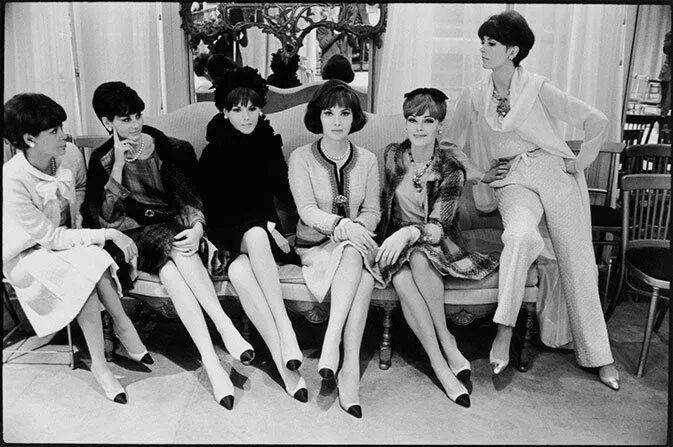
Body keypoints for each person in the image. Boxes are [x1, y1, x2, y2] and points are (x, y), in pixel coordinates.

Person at [442, 10, 620, 389]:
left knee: (577, 261)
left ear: (512, 51)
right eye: (482, 42)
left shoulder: (538, 88)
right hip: (512, 179)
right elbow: (449, 143)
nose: (482, 49)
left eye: (491, 43)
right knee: (520, 236)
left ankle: (599, 356)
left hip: (555, 174)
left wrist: (578, 163)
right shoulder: (474, 95)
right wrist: (480, 173)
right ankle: (504, 328)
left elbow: (597, 121)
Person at [82, 81, 254, 410]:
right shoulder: (101, 160)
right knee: (174, 244)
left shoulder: (168, 148)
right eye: (125, 119)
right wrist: (117, 165)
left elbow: (191, 198)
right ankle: (224, 326)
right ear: (107, 122)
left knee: (174, 268)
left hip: (175, 231)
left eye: (138, 116)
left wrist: (199, 228)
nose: (135, 125)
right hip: (132, 239)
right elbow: (105, 219)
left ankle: (213, 364)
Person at [3, 93, 150, 404]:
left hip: (54, 242)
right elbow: (50, 237)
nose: (64, 135)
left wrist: (94, 231)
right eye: (54, 130)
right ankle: (102, 362)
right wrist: (109, 233)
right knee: (83, 274)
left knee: (94, 256)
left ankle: (121, 327)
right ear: (29, 139)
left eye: (62, 127)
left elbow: (69, 221)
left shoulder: (63, 158)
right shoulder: (12, 178)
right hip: (23, 256)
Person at [376, 88, 499, 408]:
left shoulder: (450, 169)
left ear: (440, 126)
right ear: (405, 123)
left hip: (434, 240)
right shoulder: (392, 155)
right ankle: (441, 361)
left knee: (418, 256)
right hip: (393, 241)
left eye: (428, 121)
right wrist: (392, 236)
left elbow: (436, 228)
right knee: (402, 278)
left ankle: (445, 340)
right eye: (413, 120)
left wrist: (409, 234)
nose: (419, 127)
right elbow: (381, 206)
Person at [198, 66, 307, 403]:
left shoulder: (268, 143)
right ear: (224, 111)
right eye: (237, 109)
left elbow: (284, 191)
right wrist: (268, 227)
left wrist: (305, 218)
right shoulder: (213, 150)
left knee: (242, 274)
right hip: (227, 231)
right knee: (257, 236)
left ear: (260, 109)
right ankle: (285, 330)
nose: (245, 117)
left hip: (260, 232)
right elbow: (215, 209)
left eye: (252, 108)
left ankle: (284, 364)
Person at [288, 79, 380, 418]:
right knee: (362, 273)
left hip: (355, 245)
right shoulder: (301, 157)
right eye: (329, 113)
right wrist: (343, 226)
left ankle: (338, 351)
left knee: (355, 255)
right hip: (315, 247)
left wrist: (356, 229)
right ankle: (346, 365)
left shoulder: (368, 159)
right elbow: (306, 211)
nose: (337, 121)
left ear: (355, 117)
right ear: (318, 117)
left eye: (345, 113)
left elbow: (373, 211)